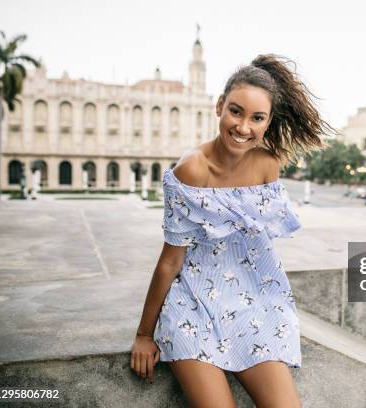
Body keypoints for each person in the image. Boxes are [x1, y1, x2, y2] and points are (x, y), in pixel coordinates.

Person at [130, 54, 333, 407]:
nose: (243, 127)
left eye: (257, 118)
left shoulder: (268, 166)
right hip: (193, 306)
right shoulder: (192, 170)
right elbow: (169, 261)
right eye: (236, 111)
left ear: (268, 121)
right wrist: (144, 335)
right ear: (219, 106)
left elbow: (256, 246)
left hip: (252, 304)